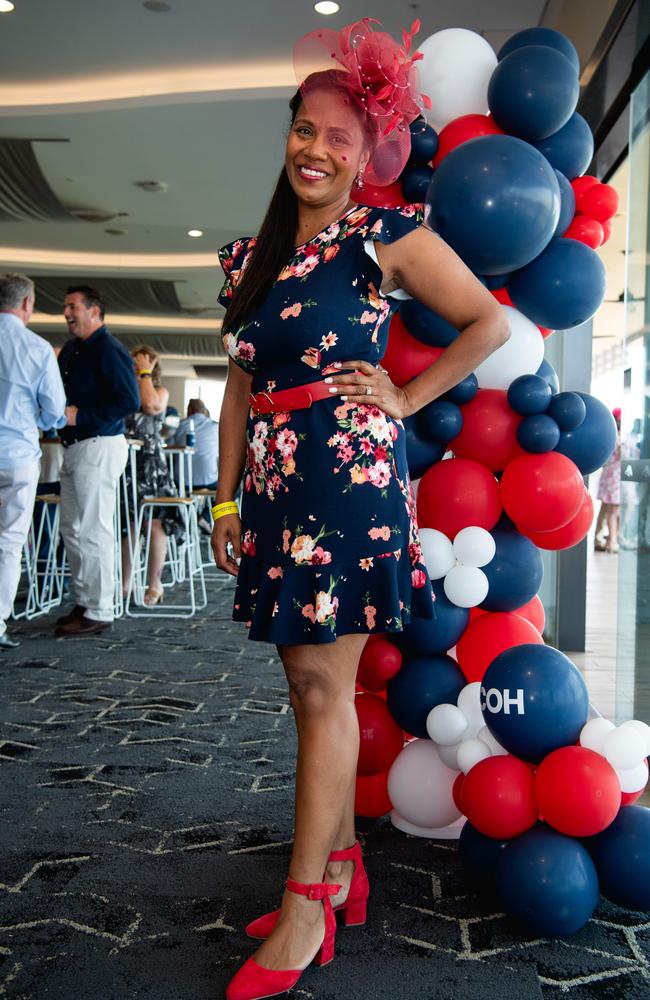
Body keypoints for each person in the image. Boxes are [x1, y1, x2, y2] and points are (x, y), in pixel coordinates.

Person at [211, 20, 509, 1000]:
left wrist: (410, 398)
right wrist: (223, 497)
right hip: (275, 485)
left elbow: (487, 320)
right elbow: (240, 390)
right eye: (306, 129)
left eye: (340, 138)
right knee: (304, 691)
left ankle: (305, 909)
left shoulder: (381, 235)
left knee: (317, 692)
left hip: (346, 481)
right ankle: (339, 871)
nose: (317, 149)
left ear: (366, 153)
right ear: (287, 133)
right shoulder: (250, 258)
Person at [55, 285, 140, 636]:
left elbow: (129, 401)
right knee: (72, 530)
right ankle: (85, 601)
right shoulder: (73, 350)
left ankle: (101, 609)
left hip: (100, 444)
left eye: (73, 306)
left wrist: (81, 416)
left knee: (93, 530)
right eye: (66, 307)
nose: (67, 313)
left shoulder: (110, 349)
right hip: (76, 446)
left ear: (94, 311)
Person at [0, 273, 66, 649]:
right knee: (9, 542)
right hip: (17, 456)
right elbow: (54, 412)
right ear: (28, 303)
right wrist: (38, 421)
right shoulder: (38, 348)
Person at [121, 345, 184, 607]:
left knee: (156, 526)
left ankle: (154, 585)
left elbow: (150, 405)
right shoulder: (123, 389)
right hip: (126, 463)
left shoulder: (160, 390)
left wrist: (144, 374)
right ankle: (125, 584)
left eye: (142, 365)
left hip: (152, 466)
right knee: (129, 526)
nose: (136, 369)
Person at [171, 398, 219, 489]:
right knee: (235, 490)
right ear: (204, 410)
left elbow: (171, 450)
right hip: (209, 480)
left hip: (182, 483)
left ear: (190, 410)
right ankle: (211, 502)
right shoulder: (216, 426)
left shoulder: (179, 425)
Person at [594, 407, 622, 554]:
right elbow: (622, 456)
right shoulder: (619, 438)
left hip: (608, 475)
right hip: (616, 477)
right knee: (613, 511)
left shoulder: (610, 436)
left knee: (606, 509)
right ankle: (612, 541)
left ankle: (599, 539)